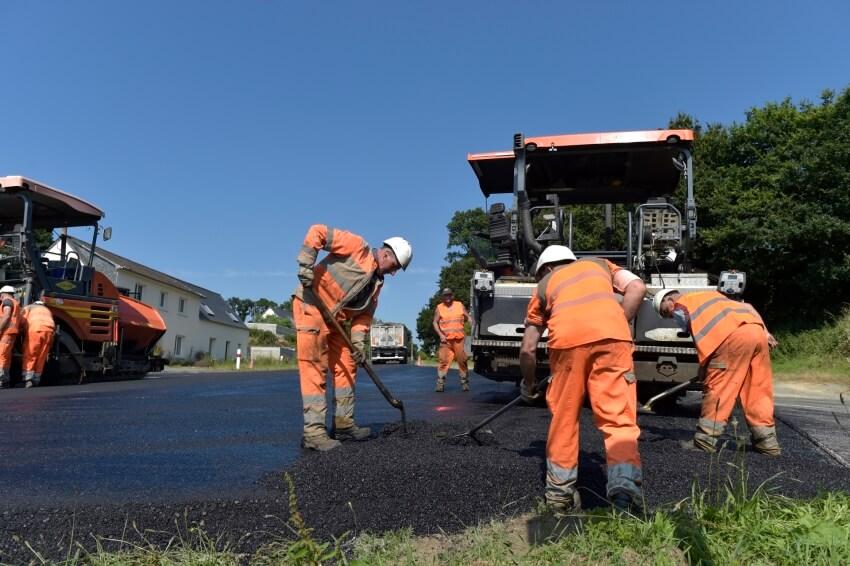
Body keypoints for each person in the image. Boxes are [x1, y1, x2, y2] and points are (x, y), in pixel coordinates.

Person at [519, 246, 646, 513]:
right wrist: (616, 322)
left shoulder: (544, 285)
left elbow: (528, 348)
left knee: (564, 417)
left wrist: (528, 384)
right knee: (618, 418)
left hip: (567, 343)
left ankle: (559, 496)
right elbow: (637, 287)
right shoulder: (600, 264)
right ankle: (625, 492)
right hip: (614, 339)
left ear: (546, 268)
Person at [292, 224, 412, 451]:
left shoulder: (376, 286)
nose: (394, 273)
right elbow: (317, 232)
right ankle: (314, 433)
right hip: (312, 304)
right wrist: (306, 264)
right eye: (394, 266)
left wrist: (357, 344)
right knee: (315, 366)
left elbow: (363, 318)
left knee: (347, 362)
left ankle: (344, 424)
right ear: (386, 254)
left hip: (334, 318)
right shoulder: (357, 247)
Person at [654, 288, 780, 455]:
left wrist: (704, 369)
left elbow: (704, 340)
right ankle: (767, 442)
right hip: (756, 333)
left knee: (719, 387)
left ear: (669, 299)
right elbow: (748, 307)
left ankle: (705, 440)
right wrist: (765, 331)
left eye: (666, 312)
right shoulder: (711, 296)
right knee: (757, 390)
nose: (671, 317)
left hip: (733, 338)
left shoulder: (683, 305)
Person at [432, 287, 471, 392]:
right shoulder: (439, 308)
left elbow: (469, 317)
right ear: (443, 297)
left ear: (452, 295)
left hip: (460, 339)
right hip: (446, 341)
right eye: (445, 295)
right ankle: (440, 383)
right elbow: (435, 322)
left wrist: (472, 323)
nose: (447, 297)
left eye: (449, 295)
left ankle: (464, 383)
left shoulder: (459, 305)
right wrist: (440, 334)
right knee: (444, 361)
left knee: (462, 361)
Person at [21, 298, 56, 388]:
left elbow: (22, 320)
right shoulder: (47, 310)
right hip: (49, 332)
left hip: (35, 330)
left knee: (31, 354)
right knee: (42, 356)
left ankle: (28, 379)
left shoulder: (29, 307)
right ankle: (36, 379)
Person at [0, 285, 22, 388]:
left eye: (0, 295)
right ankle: (5, 380)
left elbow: (6, 316)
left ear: (3, 294)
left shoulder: (7, 302)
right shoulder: (16, 303)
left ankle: (1, 379)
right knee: (6, 357)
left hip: (6, 332)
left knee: (1, 355)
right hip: (11, 332)